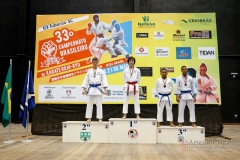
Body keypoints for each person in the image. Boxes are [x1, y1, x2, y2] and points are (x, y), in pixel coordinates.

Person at [81, 57, 108, 122]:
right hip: (91, 88)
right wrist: (84, 89)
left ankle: (99, 118)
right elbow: (86, 80)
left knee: (99, 104)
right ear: (92, 63)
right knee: (89, 104)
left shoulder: (101, 71)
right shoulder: (89, 71)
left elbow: (104, 80)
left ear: (98, 63)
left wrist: (104, 89)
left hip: (98, 88)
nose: (95, 63)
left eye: (96, 62)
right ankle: (88, 118)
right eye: (94, 62)